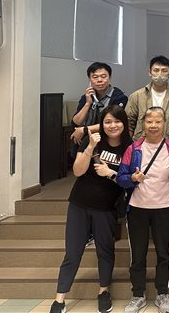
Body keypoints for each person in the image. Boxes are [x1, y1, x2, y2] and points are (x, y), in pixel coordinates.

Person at [49, 105, 132, 313]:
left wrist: (110, 172)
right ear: (101, 124)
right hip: (80, 204)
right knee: (73, 252)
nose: (113, 126)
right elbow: (77, 171)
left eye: (117, 121)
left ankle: (103, 292)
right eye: (108, 121)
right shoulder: (92, 140)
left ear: (124, 124)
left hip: (106, 208)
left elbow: (128, 181)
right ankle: (59, 299)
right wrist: (89, 148)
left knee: (105, 251)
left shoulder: (129, 147)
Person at [117, 107, 169, 313]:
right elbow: (121, 178)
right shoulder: (133, 149)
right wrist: (132, 178)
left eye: (158, 121)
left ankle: (162, 293)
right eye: (149, 122)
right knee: (137, 254)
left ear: (165, 124)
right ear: (143, 124)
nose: (153, 126)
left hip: (164, 208)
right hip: (137, 208)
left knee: (163, 253)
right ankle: (138, 294)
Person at [69, 62, 128, 146]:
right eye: (95, 77)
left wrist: (84, 130)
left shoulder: (119, 97)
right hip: (87, 140)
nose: (99, 80)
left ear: (109, 77)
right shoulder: (87, 96)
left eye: (103, 76)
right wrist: (88, 103)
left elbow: (114, 124)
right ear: (89, 79)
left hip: (108, 140)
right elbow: (76, 122)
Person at [126, 55, 169, 141]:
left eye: (164, 71)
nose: (160, 74)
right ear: (150, 72)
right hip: (141, 145)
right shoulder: (136, 96)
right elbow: (128, 124)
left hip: (168, 145)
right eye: (156, 70)